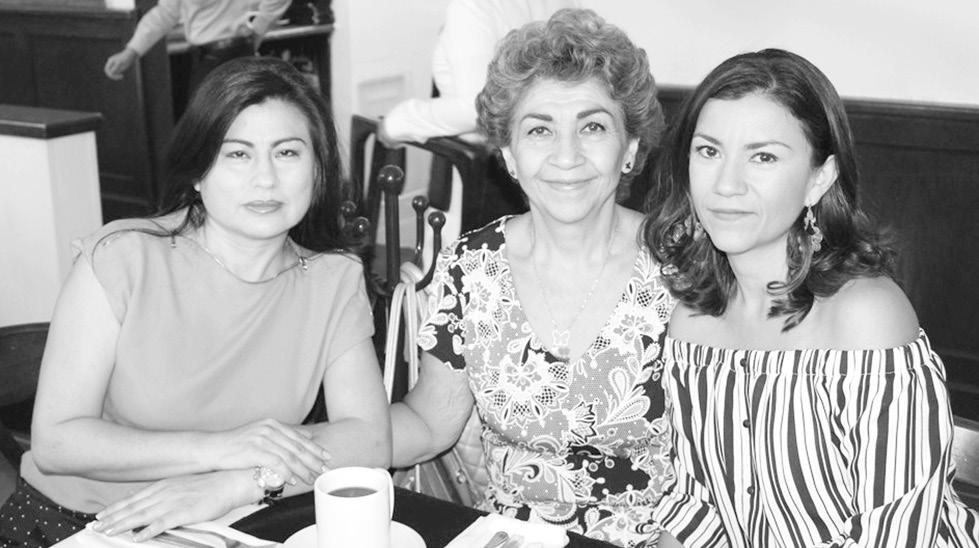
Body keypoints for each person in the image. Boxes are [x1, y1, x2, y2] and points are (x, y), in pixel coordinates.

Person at [0, 57, 391, 547]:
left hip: (230, 522)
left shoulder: (333, 279)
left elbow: (369, 439)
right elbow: (57, 442)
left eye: (288, 152)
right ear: (199, 173)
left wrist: (239, 482)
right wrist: (221, 449)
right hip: (86, 523)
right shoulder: (124, 257)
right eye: (238, 154)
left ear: (318, 171)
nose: (266, 179)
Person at [644, 48, 979, 547]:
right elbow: (698, 509)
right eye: (709, 151)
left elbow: (893, 534)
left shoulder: (866, 318)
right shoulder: (693, 322)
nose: (726, 184)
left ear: (819, 178)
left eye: (763, 156)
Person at [390, 9, 678, 548]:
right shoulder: (471, 267)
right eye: (540, 129)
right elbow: (428, 424)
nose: (566, 156)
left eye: (593, 127)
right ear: (508, 154)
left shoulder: (683, 266)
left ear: (630, 148)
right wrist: (294, 453)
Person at [377, 0, 580, 247]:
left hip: (482, 177)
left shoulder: (471, 7)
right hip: (540, 165)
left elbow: (475, 108)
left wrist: (399, 122)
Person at [104, 0, 290, 96]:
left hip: (223, 56)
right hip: (224, 53)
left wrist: (257, 31)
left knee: (212, 132)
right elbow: (166, 13)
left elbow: (166, 13)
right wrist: (132, 51)